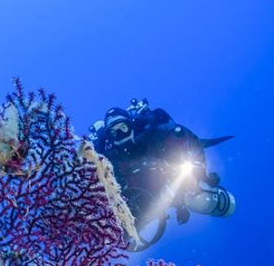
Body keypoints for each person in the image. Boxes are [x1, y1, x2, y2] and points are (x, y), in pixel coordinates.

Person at [88, 99, 236, 250]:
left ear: (131, 125)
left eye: (123, 128)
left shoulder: (152, 135)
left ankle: (206, 199)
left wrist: (199, 168)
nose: (120, 135)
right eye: (114, 132)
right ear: (109, 137)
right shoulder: (108, 158)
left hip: (166, 183)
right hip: (141, 197)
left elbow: (185, 138)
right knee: (120, 234)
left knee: (198, 197)